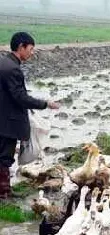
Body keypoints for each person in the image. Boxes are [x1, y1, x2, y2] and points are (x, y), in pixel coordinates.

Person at [0, 32, 60, 199]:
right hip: (7, 121)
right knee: (4, 157)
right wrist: (45, 104)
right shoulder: (13, 69)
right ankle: (4, 193)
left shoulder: (3, 63)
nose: (32, 53)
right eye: (31, 49)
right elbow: (20, 97)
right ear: (21, 47)